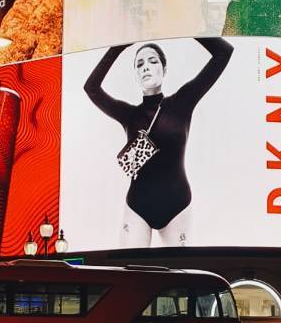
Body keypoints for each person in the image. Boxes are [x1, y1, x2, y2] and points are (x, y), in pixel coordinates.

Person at [83, 37, 232, 247]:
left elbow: (224, 53)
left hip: (177, 206)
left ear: (164, 68)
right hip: (137, 208)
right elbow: (91, 88)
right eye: (139, 64)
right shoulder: (129, 115)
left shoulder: (182, 102)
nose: (145, 67)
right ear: (136, 74)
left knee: (181, 278)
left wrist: (189, 27)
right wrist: (119, 45)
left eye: (152, 61)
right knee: (128, 275)